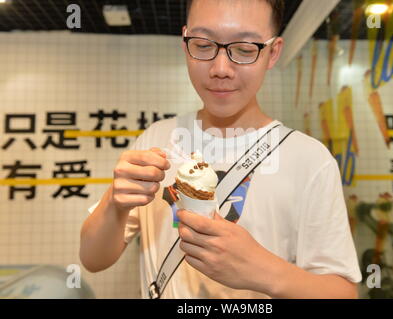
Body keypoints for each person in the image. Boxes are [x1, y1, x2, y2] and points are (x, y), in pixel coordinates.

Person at [80, 0, 362, 299]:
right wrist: (115, 202)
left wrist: (263, 271)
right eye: (203, 45)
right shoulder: (158, 139)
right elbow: (93, 259)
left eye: (244, 49)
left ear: (273, 52)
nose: (220, 69)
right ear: (185, 41)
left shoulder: (308, 159)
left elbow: (342, 292)